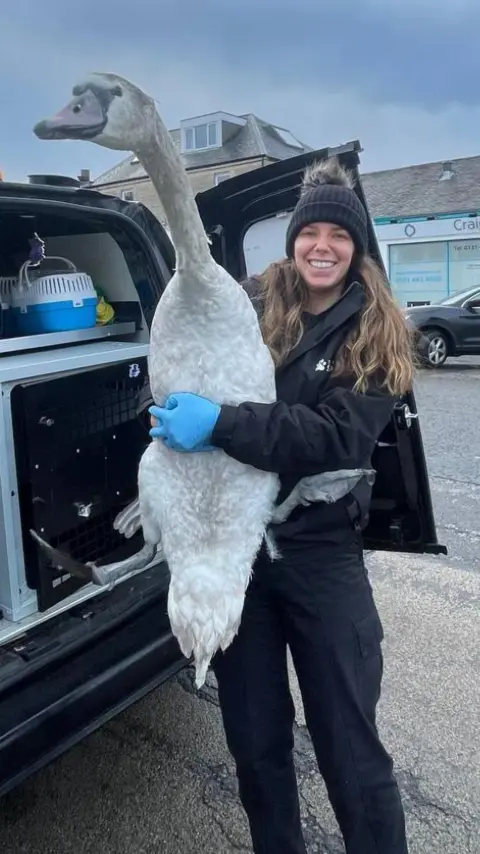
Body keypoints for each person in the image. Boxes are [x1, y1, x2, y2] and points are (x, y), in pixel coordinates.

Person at [139, 157, 412, 854]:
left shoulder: (378, 330)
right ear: (291, 240)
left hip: (322, 555)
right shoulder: (257, 304)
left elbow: (335, 436)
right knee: (256, 748)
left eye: (338, 235)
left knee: (349, 752)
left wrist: (220, 424)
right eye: (309, 231)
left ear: (357, 247)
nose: (322, 246)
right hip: (242, 560)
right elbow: (197, 332)